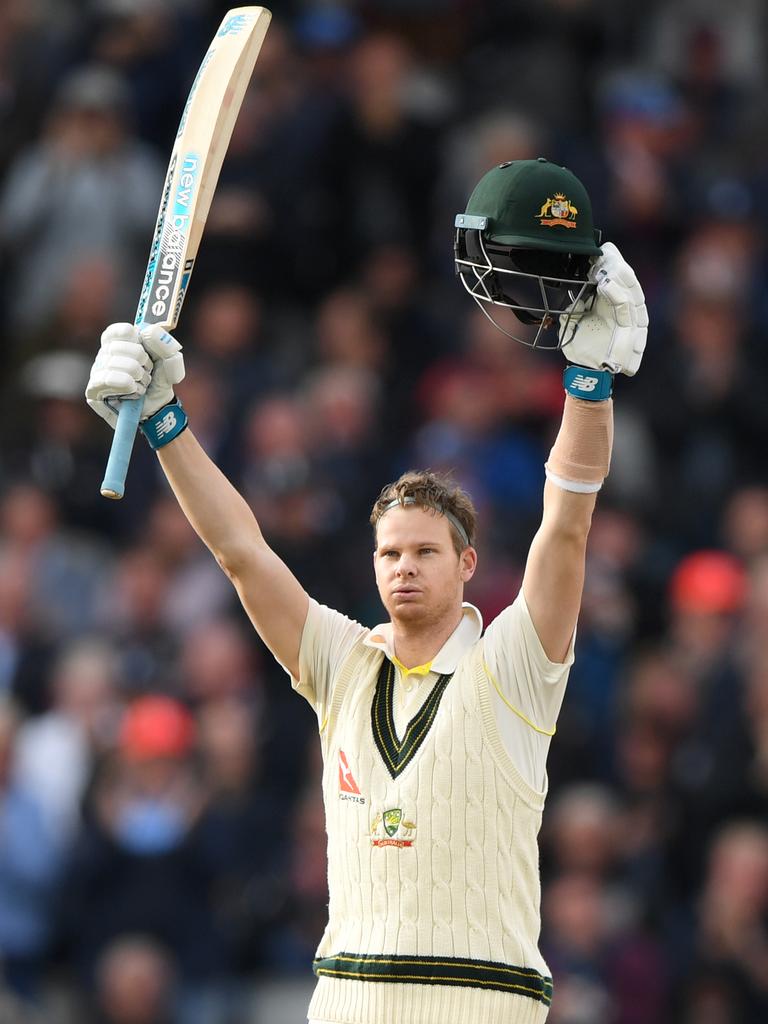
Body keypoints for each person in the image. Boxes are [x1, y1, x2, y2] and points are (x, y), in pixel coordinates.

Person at [85, 157, 647, 1023]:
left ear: (467, 565)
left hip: (483, 1005)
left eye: (426, 551)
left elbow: (565, 525)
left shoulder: (515, 665)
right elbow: (242, 551)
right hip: (347, 1000)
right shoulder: (342, 663)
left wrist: (589, 385)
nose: (404, 568)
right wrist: (166, 422)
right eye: (390, 554)